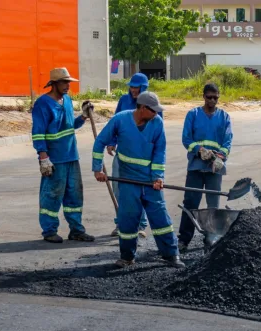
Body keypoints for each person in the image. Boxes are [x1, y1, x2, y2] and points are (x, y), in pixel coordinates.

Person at [92, 91, 185, 268]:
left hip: (150, 182)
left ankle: (171, 255)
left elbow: (160, 151)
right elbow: (100, 142)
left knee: (161, 219)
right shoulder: (120, 120)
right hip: (127, 180)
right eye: (153, 110)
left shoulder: (157, 123)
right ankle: (127, 257)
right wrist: (97, 169)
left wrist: (158, 177)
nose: (157, 114)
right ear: (142, 108)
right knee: (128, 219)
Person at [31, 67, 95, 243]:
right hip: (54, 159)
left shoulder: (66, 100)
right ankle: (49, 230)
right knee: (52, 195)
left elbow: (70, 126)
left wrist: (82, 116)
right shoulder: (42, 104)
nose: (68, 86)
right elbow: (38, 133)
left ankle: (76, 230)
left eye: (69, 82)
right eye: (64, 82)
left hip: (71, 157)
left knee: (75, 195)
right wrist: (43, 157)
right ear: (54, 84)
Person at [177, 83, 233, 252]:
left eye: (215, 97)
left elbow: (227, 141)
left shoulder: (224, 117)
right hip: (196, 166)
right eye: (209, 97)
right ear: (203, 96)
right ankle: (184, 239)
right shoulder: (193, 115)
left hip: (214, 169)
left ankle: (211, 239)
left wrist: (220, 157)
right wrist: (199, 150)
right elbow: (186, 138)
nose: (212, 100)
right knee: (190, 204)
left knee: (212, 205)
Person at [108, 73, 163, 238]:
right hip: (123, 156)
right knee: (120, 189)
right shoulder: (124, 101)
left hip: (144, 158)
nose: (133, 90)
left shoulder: (153, 104)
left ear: (143, 87)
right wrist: (112, 141)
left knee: (142, 191)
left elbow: (158, 134)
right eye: (131, 86)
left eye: (136, 87)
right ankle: (122, 223)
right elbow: (114, 123)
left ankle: (140, 225)